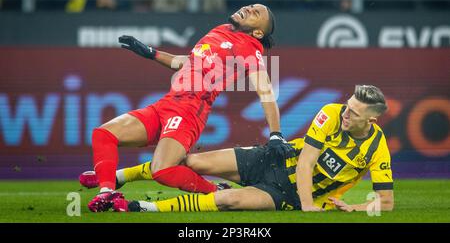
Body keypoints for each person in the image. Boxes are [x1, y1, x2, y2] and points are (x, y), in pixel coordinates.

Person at [87, 4, 285, 213]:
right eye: (251, 6)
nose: (248, 8)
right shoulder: (221, 29)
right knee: (103, 134)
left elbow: (266, 92)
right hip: (166, 103)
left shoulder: (249, 47)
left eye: (256, 13)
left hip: (190, 111)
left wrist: (276, 134)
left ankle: (215, 190)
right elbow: (187, 62)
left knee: (161, 170)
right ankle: (106, 193)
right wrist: (151, 53)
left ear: (258, 32)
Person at [83, 85, 394, 213]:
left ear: (374, 118)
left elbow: (386, 202)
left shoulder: (376, 148)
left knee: (227, 199)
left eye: (354, 112)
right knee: (189, 161)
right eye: (348, 106)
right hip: (275, 159)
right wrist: (310, 205)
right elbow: (306, 162)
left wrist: (353, 208)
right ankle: (119, 176)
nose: (346, 113)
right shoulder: (331, 112)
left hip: (283, 194)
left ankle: (137, 207)